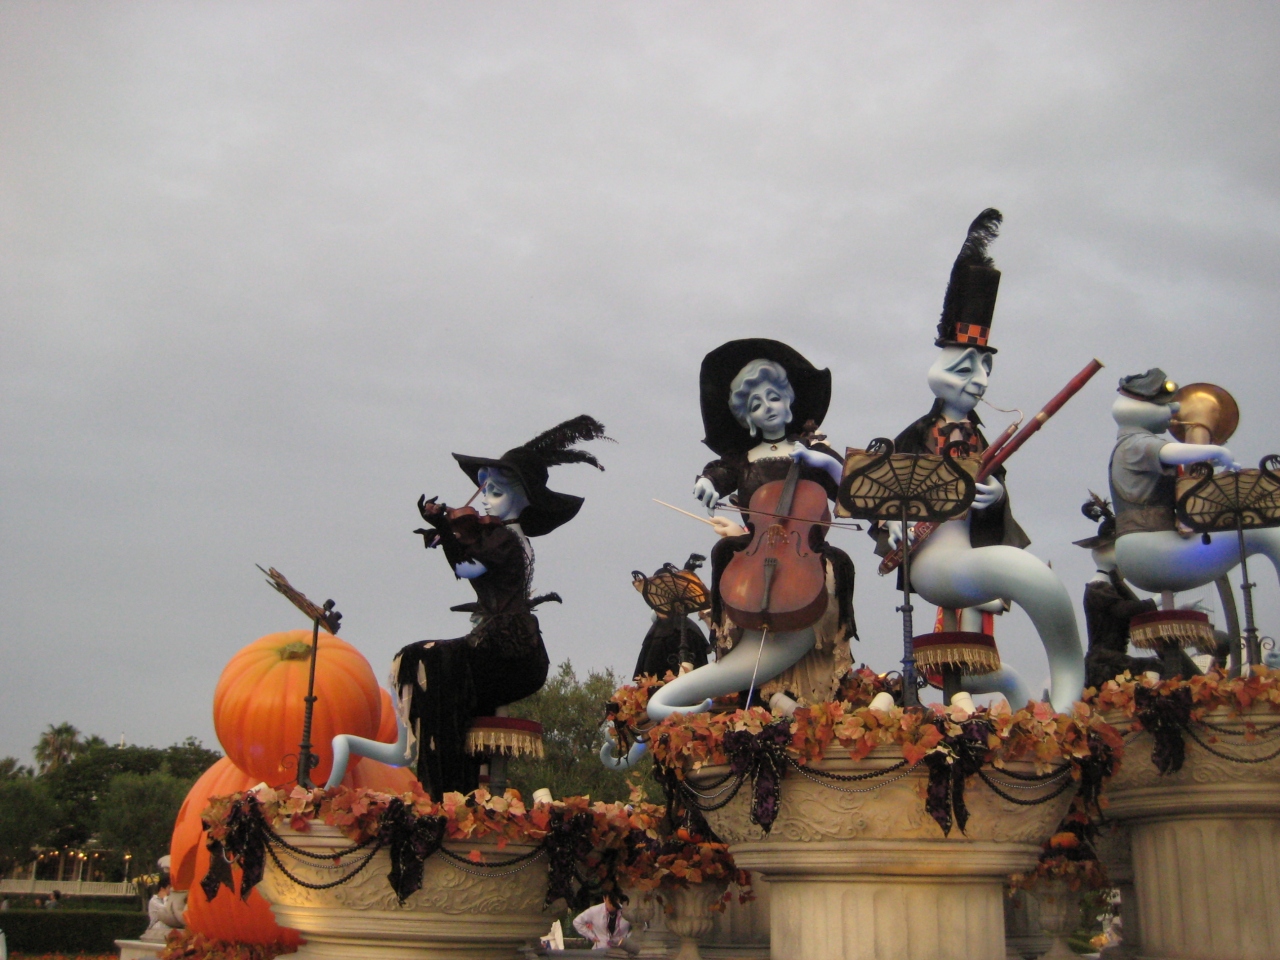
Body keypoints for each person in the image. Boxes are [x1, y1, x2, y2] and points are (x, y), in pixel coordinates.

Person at [326, 416, 610, 798]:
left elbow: (467, 567)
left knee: (423, 658)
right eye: (483, 488)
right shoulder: (500, 536)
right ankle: (442, 767)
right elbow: (470, 561)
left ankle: (441, 775)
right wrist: (447, 531)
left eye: (495, 490)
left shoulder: (504, 539)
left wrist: (445, 530)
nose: (485, 498)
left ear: (523, 497)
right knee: (428, 660)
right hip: (505, 646)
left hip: (509, 650)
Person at [140, 873, 185, 942]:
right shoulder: (154, 901)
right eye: (170, 887)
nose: (172, 890)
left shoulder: (170, 899)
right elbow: (167, 911)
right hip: (156, 927)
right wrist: (165, 898)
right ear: (162, 889)